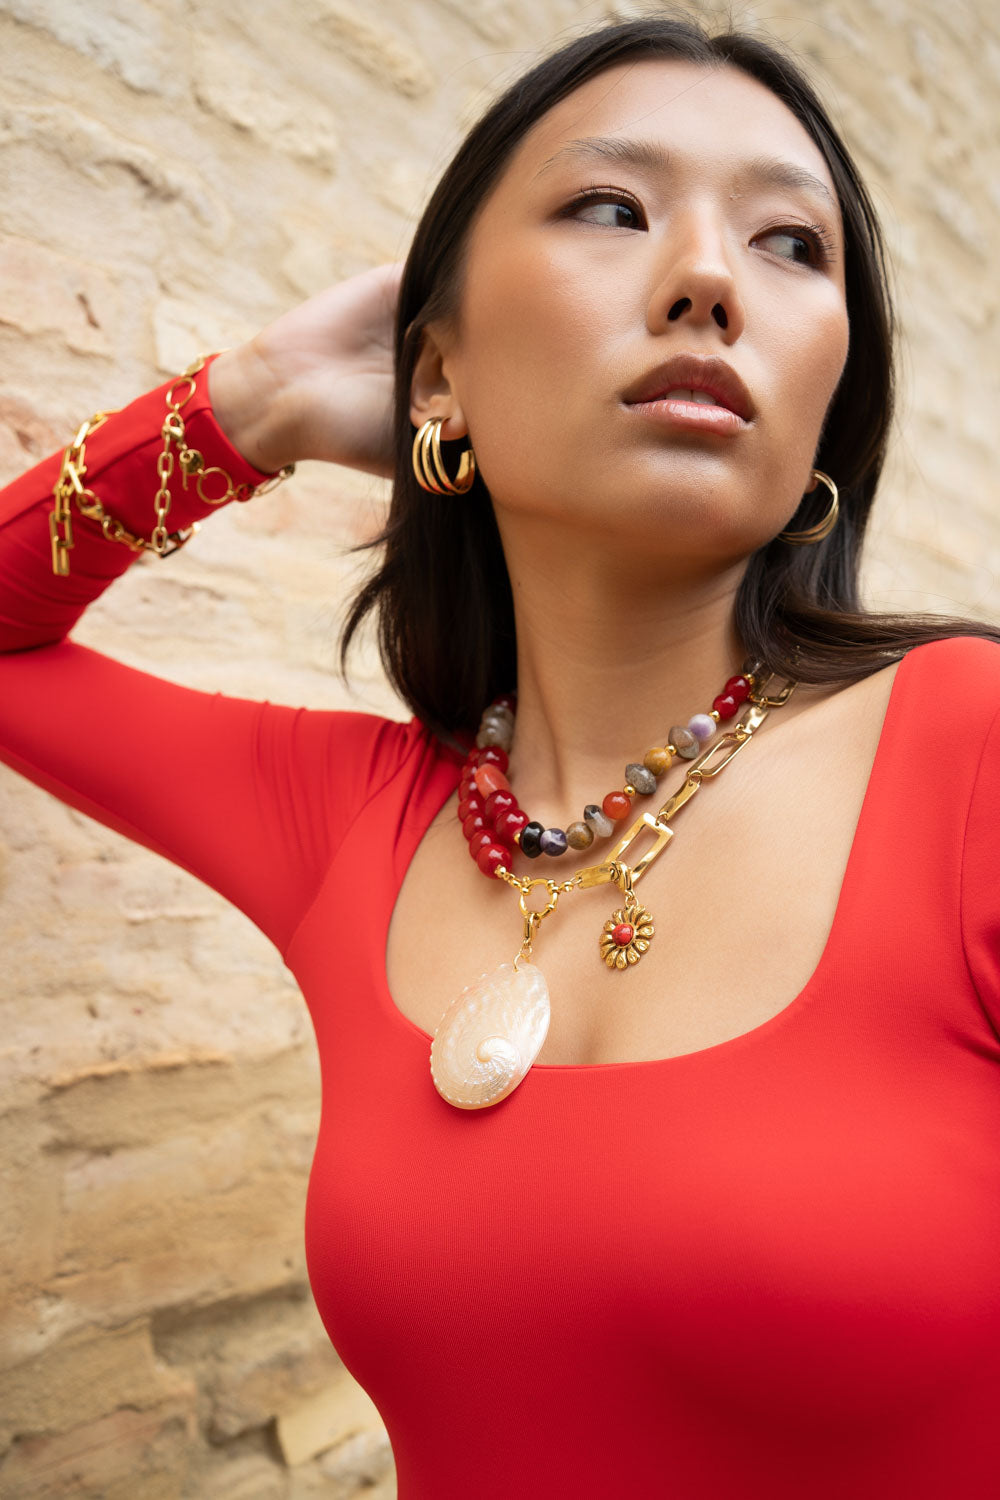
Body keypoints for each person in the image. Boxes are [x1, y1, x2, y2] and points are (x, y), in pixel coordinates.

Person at [2, 12, 999, 1496]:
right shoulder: (356, 822)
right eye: (612, 206)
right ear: (436, 376)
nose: (711, 279)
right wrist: (252, 404)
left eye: (793, 244)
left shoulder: (972, 756)